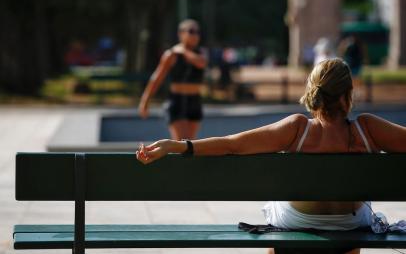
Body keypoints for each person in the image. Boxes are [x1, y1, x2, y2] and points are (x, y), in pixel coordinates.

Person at [136, 58, 406, 254]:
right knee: (357, 219)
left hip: (296, 223)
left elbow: (233, 145)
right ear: (348, 95)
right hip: (350, 226)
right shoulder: (368, 129)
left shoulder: (297, 128)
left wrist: (178, 146)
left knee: (277, 210)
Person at [138, 19, 207, 140]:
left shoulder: (201, 52)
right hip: (177, 101)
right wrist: (145, 101)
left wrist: (183, 51)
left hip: (194, 101)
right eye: (191, 31)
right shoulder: (171, 55)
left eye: (198, 32)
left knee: (191, 144)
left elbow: (201, 63)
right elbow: (157, 78)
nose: (195, 35)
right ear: (181, 34)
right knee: (180, 142)